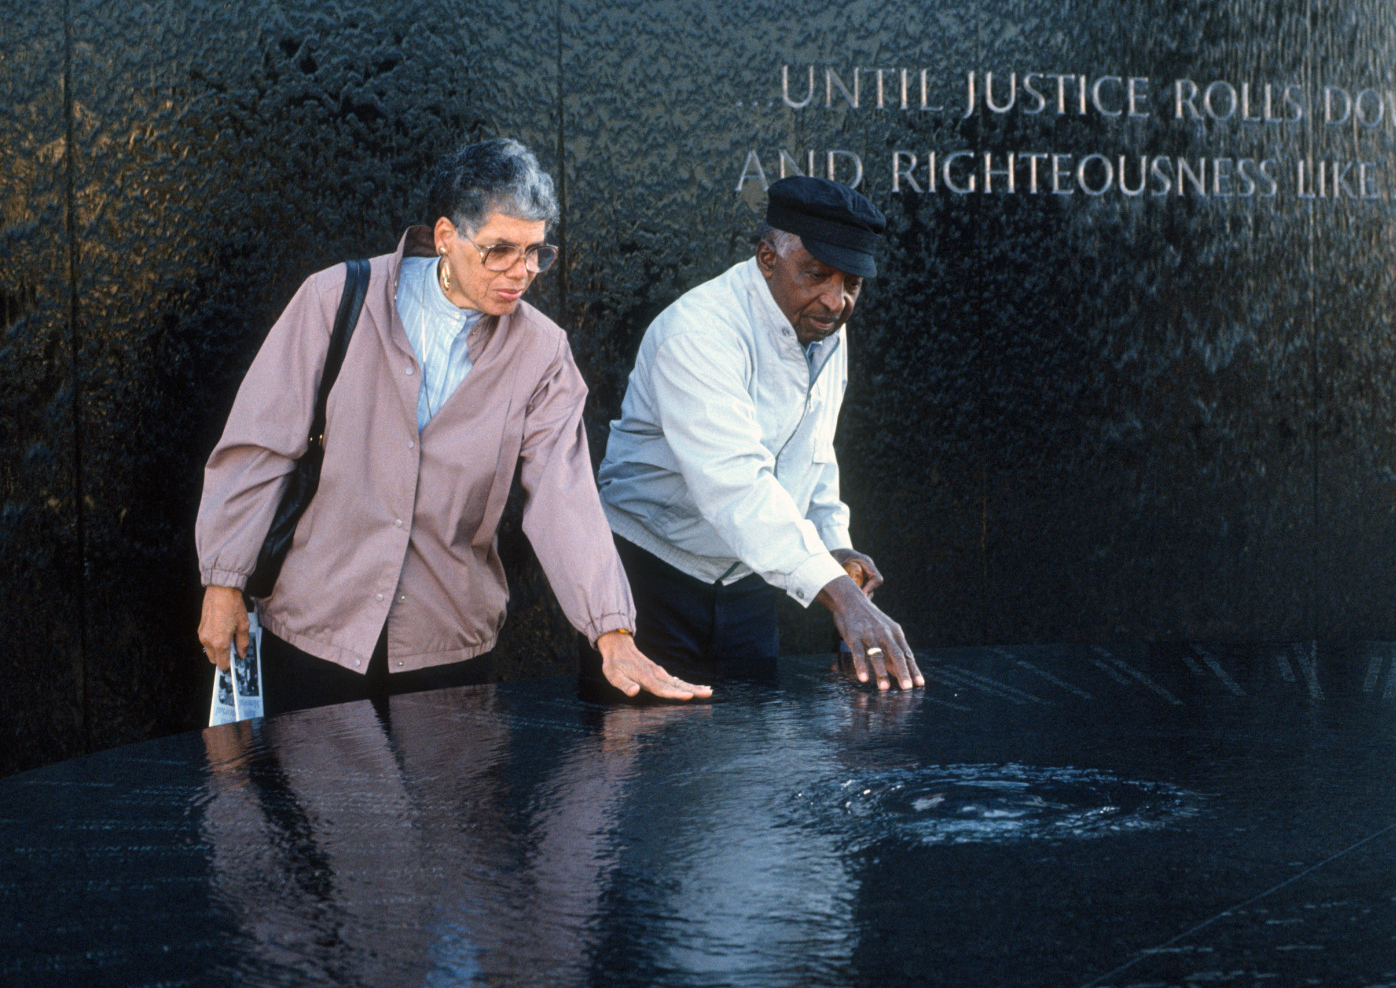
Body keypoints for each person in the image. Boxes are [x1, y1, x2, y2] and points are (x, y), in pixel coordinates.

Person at [196, 138, 709, 712]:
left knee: (454, 803)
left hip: (446, 646)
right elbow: (258, 447)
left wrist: (610, 630)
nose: (523, 272)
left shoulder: (542, 352)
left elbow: (565, 499)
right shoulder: (337, 299)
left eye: (538, 251)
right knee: (316, 801)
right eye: (500, 250)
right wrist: (224, 580)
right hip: (317, 630)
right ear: (446, 237)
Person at [597, 175, 922, 692]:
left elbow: (813, 453)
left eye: (852, 284)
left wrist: (836, 546)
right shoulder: (700, 332)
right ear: (767, 258)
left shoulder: (823, 328)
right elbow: (736, 484)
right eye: (816, 274)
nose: (835, 302)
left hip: (749, 579)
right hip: (650, 579)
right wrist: (841, 597)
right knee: (646, 761)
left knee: (750, 761)